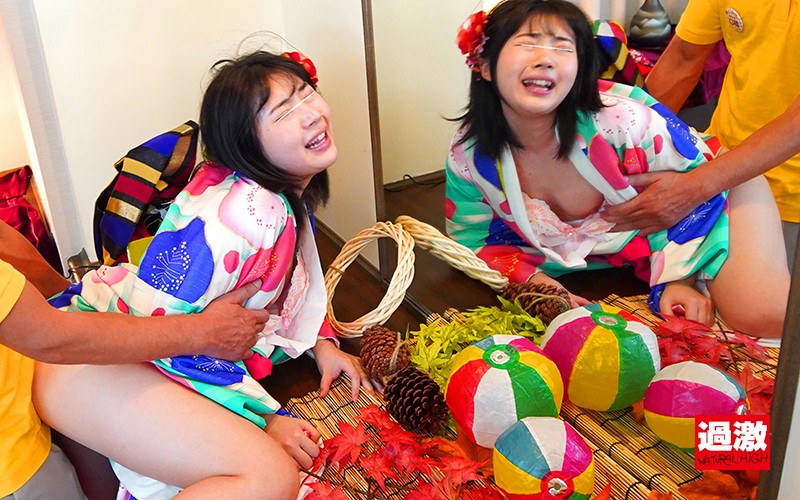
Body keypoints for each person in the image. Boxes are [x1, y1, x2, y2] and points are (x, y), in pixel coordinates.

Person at [33, 50, 373, 499]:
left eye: (305, 94)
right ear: (245, 142)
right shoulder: (249, 215)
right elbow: (171, 334)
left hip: (151, 339)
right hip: (132, 354)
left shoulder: (269, 197)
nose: (310, 114)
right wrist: (261, 419)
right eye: (283, 112)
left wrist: (320, 341)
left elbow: (290, 283)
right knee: (272, 478)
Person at [445, 0, 788, 338]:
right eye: (528, 43)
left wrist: (678, 279)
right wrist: (541, 286)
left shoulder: (625, 124)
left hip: (714, 192)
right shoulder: (468, 156)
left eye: (563, 47)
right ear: (484, 65)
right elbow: (472, 240)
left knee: (762, 317)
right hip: (625, 250)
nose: (545, 59)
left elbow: (692, 184)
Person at [0, 219, 274, 499]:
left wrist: (73, 299)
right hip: (15, 461)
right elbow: (52, 337)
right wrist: (207, 333)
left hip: (29, 393)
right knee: (266, 476)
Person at [603, 0, 800, 270]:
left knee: (763, 298)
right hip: (718, 173)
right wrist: (614, 156)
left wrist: (691, 189)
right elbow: (683, 58)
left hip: (785, 200)